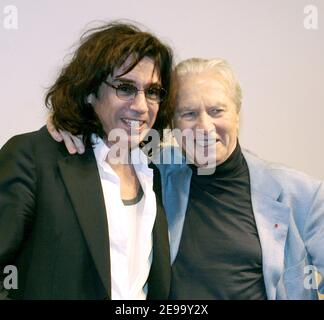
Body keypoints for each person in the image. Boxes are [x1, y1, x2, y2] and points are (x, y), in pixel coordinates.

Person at [49, 57, 324, 300]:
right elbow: (108, 141)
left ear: (237, 115)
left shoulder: (302, 195)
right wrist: (69, 125)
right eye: (189, 114)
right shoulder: (152, 172)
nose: (204, 127)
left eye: (217, 111)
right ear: (171, 123)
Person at [0, 21, 174, 300]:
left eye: (152, 92)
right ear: (90, 91)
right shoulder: (32, 156)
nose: (141, 106)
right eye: (125, 88)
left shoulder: (153, 172)